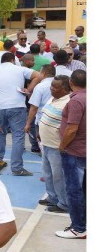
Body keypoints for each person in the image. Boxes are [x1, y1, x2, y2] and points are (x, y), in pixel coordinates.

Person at [0, 52, 41, 176]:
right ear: (13, 60)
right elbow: (38, 76)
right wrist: (28, 90)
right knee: (18, 136)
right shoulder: (20, 69)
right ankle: (17, 168)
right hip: (17, 106)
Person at [55, 70, 86, 239]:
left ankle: (78, 228)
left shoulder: (76, 101)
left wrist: (62, 146)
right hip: (85, 151)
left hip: (74, 152)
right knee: (85, 190)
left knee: (74, 190)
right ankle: (85, 224)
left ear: (71, 83)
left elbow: (72, 128)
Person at [37, 76, 71, 214]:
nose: (51, 88)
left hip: (57, 147)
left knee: (59, 176)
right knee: (48, 173)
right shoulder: (53, 98)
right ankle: (52, 197)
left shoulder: (68, 102)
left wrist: (63, 145)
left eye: (55, 87)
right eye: (51, 85)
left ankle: (63, 204)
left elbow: (70, 127)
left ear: (65, 89)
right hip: (46, 144)